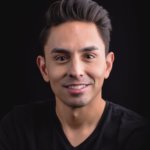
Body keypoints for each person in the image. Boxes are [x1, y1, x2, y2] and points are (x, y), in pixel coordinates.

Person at [0, 0, 149, 149]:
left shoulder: (138, 136)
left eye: (89, 56)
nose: (76, 72)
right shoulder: (16, 129)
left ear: (107, 65)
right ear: (44, 69)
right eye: (61, 58)